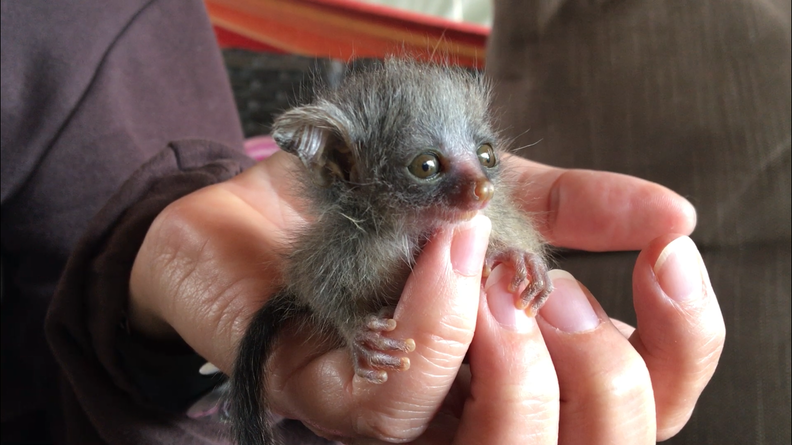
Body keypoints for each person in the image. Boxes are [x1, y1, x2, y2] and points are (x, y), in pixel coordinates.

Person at [0, 0, 742, 443]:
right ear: (343, 168)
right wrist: (355, 330)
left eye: (484, 154)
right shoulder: (347, 242)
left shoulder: (114, 29)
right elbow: (327, 294)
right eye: (427, 169)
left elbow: (506, 224)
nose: (479, 186)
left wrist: (529, 263)